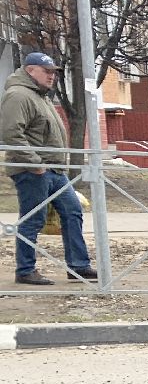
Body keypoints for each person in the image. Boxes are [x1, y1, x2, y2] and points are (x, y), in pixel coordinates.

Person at [1, 51, 96, 285]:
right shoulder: (18, 95)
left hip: (54, 170)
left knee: (73, 212)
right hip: (33, 170)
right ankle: (25, 270)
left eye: (54, 72)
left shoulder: (39, 96)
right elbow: (11, 134)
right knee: (33, 219)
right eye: (47, 71)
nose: (52, 76)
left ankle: (78, 266)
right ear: (30, 70)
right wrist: (34, 165)